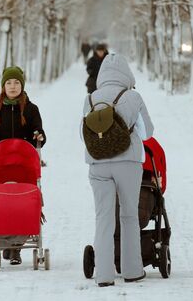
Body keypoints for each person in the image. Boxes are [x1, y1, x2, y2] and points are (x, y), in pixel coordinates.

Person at [82, 54, 154, 287]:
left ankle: (103, 275)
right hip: (128, 163)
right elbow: (147, 133)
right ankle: (132, 271)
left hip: (98, 164)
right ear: (126, 73)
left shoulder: (91, 98)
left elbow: (82, 133)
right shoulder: (133, 96)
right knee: (129, 215)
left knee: (103, 218)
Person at [0, 66, 46, 265]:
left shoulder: (31, 109)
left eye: (16, 82)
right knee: (4, 204)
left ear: (22, 85)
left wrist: (39, 136)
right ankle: (5, 243)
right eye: (9, 83)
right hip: (0, 166)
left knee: (21, 204)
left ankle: (14, 248)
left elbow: (40, 132)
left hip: (24, 165)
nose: (13, 86)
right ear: (3, 86)